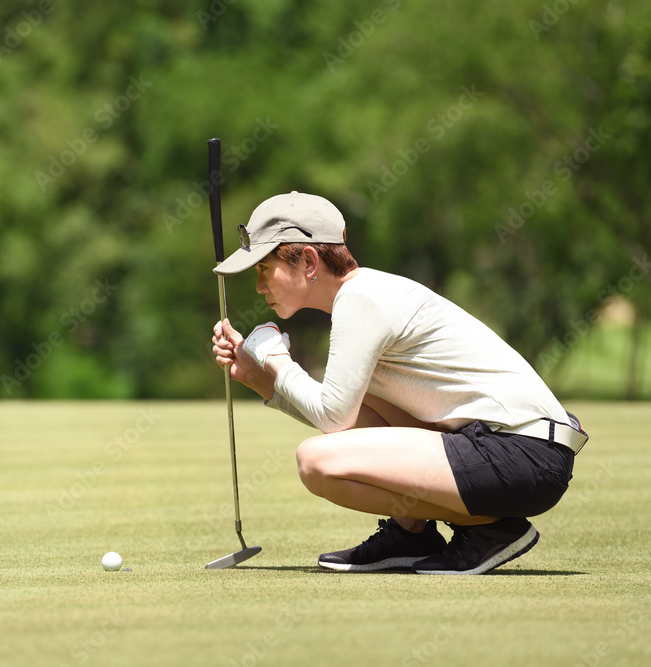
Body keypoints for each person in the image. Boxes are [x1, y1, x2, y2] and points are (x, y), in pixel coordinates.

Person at [210, 191, 588, 575]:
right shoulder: (364, 296)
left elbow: (332, 419)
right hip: (520, 451)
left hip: (521, 454)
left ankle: (491, 529)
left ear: (308, 261)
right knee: (361, 408)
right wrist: (262, 381)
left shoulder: (362, 301)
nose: (260, 287)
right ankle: (412, 532)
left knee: (315, 461)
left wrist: (276, 360)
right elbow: (347, 418)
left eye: (264, 269)